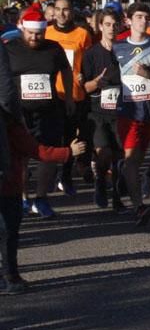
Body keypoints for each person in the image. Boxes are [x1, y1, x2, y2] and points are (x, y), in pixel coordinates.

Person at [1, 114, 85, 293]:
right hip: (8, 188)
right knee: (8, 234)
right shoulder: (11, 126)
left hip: (9, 187)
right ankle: (10, 277)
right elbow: (37, 151)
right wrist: (69, 152)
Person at [7, 7, 73, 218]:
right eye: (31, 33)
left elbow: (66, 71)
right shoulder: (10, 48)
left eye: (39, 34)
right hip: (19, 113)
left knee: (49, 156)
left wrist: (69, 96)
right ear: (22, 30)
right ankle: (23, 198)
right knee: (22, 158)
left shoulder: (54, 48)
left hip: (48, 110)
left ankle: (41, 198)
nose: (35, 37)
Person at [113, 3, 150, 227]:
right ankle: (139, 207)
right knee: (132, 160)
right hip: (127, 112)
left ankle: (126, 177)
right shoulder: (117, 48)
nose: (142, 21)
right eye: (138, 17)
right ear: (128, 20)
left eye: (146, 17)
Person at [80, 7, 128, 212]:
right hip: (97, 112)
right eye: (107, 24)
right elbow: (85, 87)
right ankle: (100, 180)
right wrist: (96, 83)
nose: (111, 28)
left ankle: (117, 197)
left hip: (120, 112)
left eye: (115, 25)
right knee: (103, 153)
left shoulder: (124, 51)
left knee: (119, 158)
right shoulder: (91, 54)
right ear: (100, 27)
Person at [45, 0, 94, 196]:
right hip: (50, 93)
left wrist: (85, 73)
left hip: (75, 94)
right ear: (53, 11)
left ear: (71, 12)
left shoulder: (82, 34)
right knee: (52, 138)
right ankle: (50, 175)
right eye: (58, 9)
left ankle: (65, 175)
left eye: (66, 9)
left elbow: (90, 62)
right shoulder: (46, 32)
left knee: (71, 138)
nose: (62, 13)